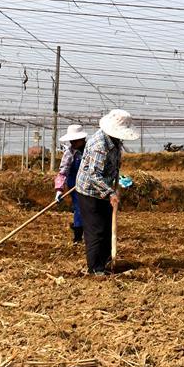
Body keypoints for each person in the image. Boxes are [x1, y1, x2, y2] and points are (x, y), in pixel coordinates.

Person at [75, 109, 139, 275]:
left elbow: (113, 165)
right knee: (96, 229)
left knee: (106, 226)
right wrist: (110, 193)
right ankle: (95, 268)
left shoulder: (115, 141)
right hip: (90, 191)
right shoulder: (99, 145)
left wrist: (114, 184)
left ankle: (106, 261)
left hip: (104, 188)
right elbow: (93, 175)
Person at [55, 124, 87, 244]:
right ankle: (77, 237)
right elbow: (63, 172)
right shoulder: (69, 153)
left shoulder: (90, 150)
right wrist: (59, 189)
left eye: (75, 140)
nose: (72, 142)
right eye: (71, 140)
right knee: (79, 208)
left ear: (82, 139)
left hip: (90, 183)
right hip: (74, 184)